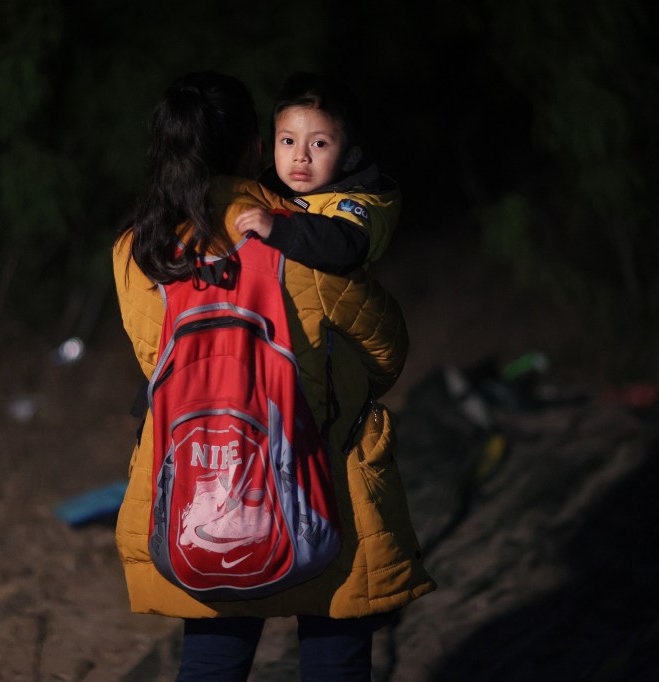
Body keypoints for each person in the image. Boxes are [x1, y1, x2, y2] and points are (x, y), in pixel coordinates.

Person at [111, 70, 434, 681]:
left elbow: (156, 361)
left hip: (201, 485)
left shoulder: (140, 247)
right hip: (321, 474)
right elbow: (386, 348)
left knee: (211, 656)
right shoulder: (302, 235)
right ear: (258, 149)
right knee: (334, 650)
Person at [233, 71, 401, 275]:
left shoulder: (355, 203)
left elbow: (343, 250)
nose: (300, 155)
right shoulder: (263, 187)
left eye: (319, 144)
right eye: (288, 141)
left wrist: (280, 230)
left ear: (349, 157)